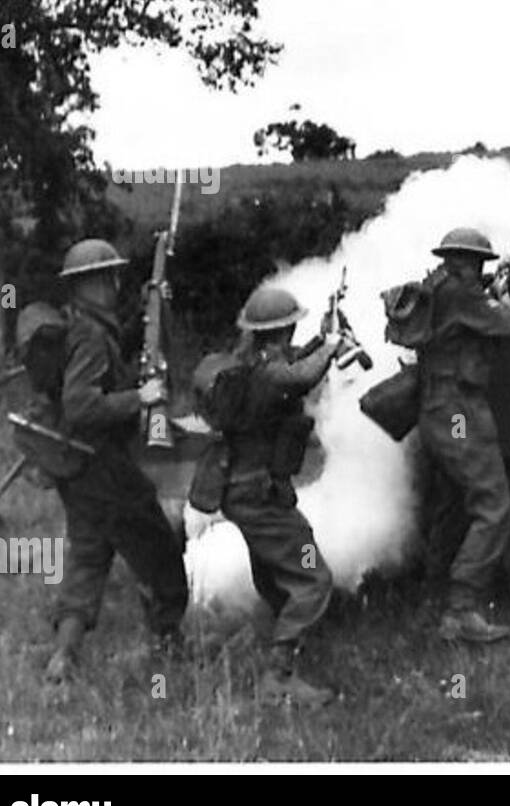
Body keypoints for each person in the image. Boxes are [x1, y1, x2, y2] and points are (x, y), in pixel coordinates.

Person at [43, 239, 189, 683]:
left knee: (89, 559)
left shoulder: (85, 326)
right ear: (92, 283)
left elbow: (115, 351)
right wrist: (138, 398)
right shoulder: (88, 335)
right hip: (103, 467)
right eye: (108, 276)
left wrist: (153, 304)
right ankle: (168, 646)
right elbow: (81, 405)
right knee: (159, 549)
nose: (114, 284)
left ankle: (63, 658)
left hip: (78, 469)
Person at [218, 285, 342, 707]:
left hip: (242, 491)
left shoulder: (252, 363)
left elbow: (291, 365)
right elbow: (300, 377)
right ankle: (279, 675)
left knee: (273, 570)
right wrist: (332, 348)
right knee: (313, 577)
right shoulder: (270, 375)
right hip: (261, 495)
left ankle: (280, 640)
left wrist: (319, 342)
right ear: (285, 329)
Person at [416, 228, 510, 644]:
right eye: (478, 264)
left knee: (452, 506)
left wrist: (489, 288)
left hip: (437, 410)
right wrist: (499, 293)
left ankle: (433, 595)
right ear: (469, 262)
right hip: (457, 413)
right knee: (494, 505)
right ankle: (461, 609)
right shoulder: (462, 295)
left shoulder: (439, 288)